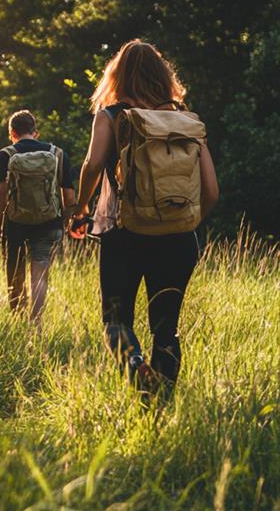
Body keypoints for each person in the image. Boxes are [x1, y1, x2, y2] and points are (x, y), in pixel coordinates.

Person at [71, 39, 219, 395]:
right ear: (162, 74)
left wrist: (81, 209)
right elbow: (211, 192)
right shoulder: (184, 120)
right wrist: (182, 222)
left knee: (116, 321)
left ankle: (136, 369)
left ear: (116, 76)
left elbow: (92, 165)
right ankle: (160, 406)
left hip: (123, 233)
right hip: (180, 239)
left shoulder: (111, 116)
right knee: (166, 329)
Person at [0, 110, 76, 322]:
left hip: (16, 223)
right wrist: (68, 221)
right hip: (49, 222)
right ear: (35, 132)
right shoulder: (57, 154)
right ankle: (35, 322)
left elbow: (1, 193)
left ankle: (18, 319)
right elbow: (69, 194)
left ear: (12, 132)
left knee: (15, 273)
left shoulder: (5, 155)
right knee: (40, 275)